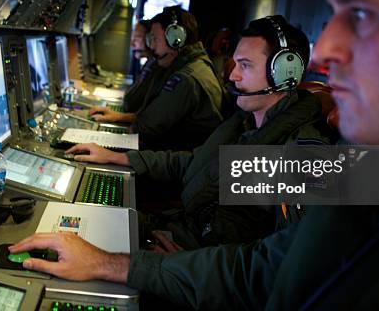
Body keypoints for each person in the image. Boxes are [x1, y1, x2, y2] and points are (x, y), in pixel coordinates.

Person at [10, 0, 379, 308]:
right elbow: (258, 260)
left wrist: (134, 264)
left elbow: (252, 275)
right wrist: (121, 174)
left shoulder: (310, 157)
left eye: (363, 14)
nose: (327, 50)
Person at [66, 16, 336, 249]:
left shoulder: (299, 158)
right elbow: (196, 162)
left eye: (245, 65)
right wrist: (118, 157)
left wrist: (182, 262)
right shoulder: (248, 124)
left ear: (284, 74)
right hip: (182, 233)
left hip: (193, 259)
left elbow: (270, 268)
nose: (233, 77)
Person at [89, 6, 226, 151]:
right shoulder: (193, 66)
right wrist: (120, 117)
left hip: (176, 165)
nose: (151, 46)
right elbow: (152, 117)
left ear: (176, 40)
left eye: (155, 38)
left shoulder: (187, 78)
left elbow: (144, 129)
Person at [123, 20, 165, 113]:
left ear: (149, 39)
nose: (132, 44)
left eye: (137, 38)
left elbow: (131, 104)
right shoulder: (150, 63)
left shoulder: (155, 66)